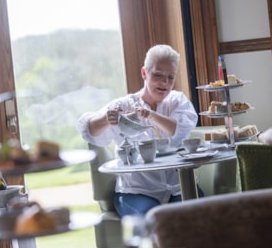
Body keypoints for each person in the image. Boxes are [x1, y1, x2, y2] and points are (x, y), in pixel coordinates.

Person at [76, 44, 199, 217]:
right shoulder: (125, 105)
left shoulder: (177, 101)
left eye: (170, 77)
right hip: (135, 192)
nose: (165, 82)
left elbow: (177, 130)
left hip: (178, 187)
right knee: (153, 219)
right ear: (144, 73)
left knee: (198, 215)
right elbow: (89, 130)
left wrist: (151, 115)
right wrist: (107, 119)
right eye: (158, 75)